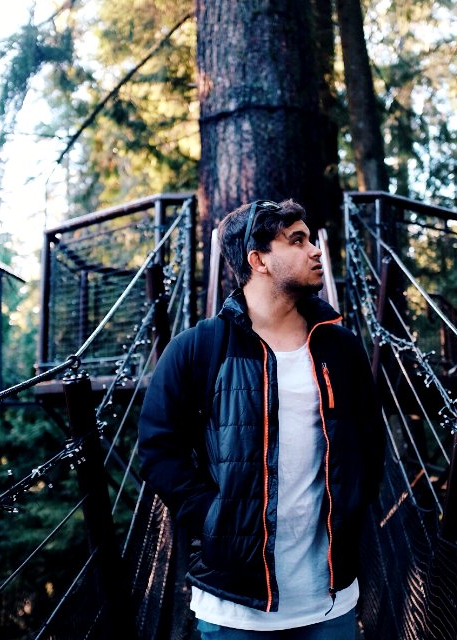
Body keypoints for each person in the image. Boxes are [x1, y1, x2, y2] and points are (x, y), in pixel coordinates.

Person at [138, 198, 385, 639]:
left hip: (330, 600)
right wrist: (212, 516)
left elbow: (370, 443)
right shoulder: (197, 349)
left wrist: (352, 512)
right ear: (258, 260)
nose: (315, 251)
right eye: (297, 240)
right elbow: (159, 450)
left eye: (311, 239)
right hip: (235, 607)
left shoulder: (341, 348)